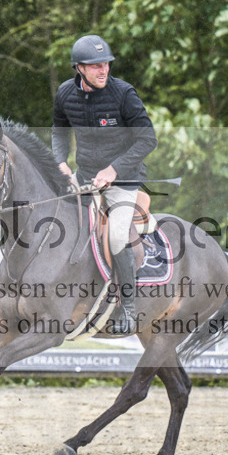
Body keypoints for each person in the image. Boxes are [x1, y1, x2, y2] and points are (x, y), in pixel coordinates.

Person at [52, 34, 157, 335]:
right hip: (83, 178)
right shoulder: (64, 93)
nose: (103, 71)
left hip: (122, 180)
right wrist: (60, 161)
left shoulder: (124, 94)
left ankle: (129, 307)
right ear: (79, 69)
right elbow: (59, 131)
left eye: (106, 65)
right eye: (95, 66)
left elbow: (148, 139)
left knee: (114, 239)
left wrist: (113, 170)